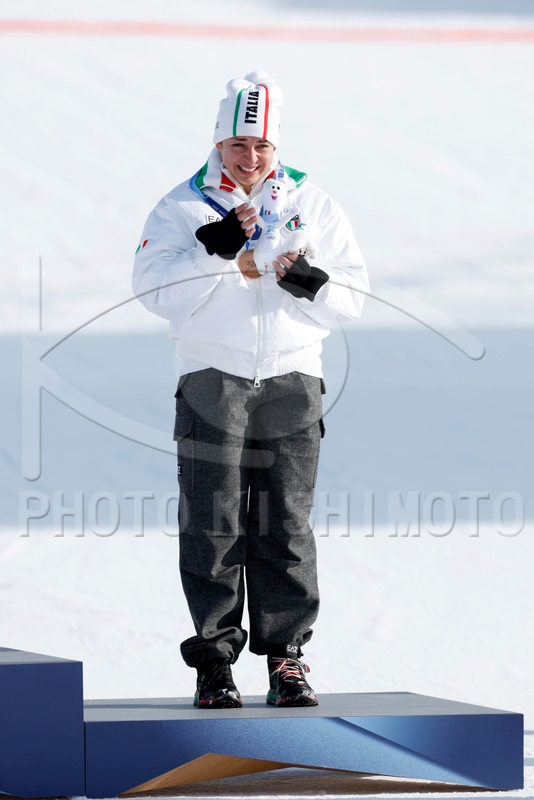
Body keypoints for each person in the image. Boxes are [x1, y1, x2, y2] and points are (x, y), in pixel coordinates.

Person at [132, 70, 369, 709]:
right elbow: (153, 293)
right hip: (212, 377)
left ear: (276, 146)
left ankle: (286, 658)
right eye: (238, 143)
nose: (250, 157)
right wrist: (212, 253)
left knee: (285, 522)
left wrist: (308, 280)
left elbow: (351, 298)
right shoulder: (182, 206)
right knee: (213, 520)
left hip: (293, 379)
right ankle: (214, 661)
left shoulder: (311, 203)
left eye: (262, 145)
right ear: (218, 142)